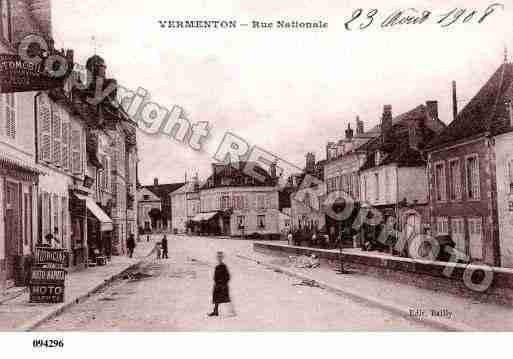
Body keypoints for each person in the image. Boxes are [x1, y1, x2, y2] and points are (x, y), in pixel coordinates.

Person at [209, 251, 234, 317]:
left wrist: (223, 283)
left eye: (220, 257)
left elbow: (228, 276)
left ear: (222, 258)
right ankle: (215, 311)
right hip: (217, 285)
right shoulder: (217, 266)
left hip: (223, 285)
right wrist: (216, 281)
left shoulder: (223, 266)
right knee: (216, 299)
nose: (219, 258)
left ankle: (232, 312)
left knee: (226, 299)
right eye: (218, 257)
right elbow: (215, 276)